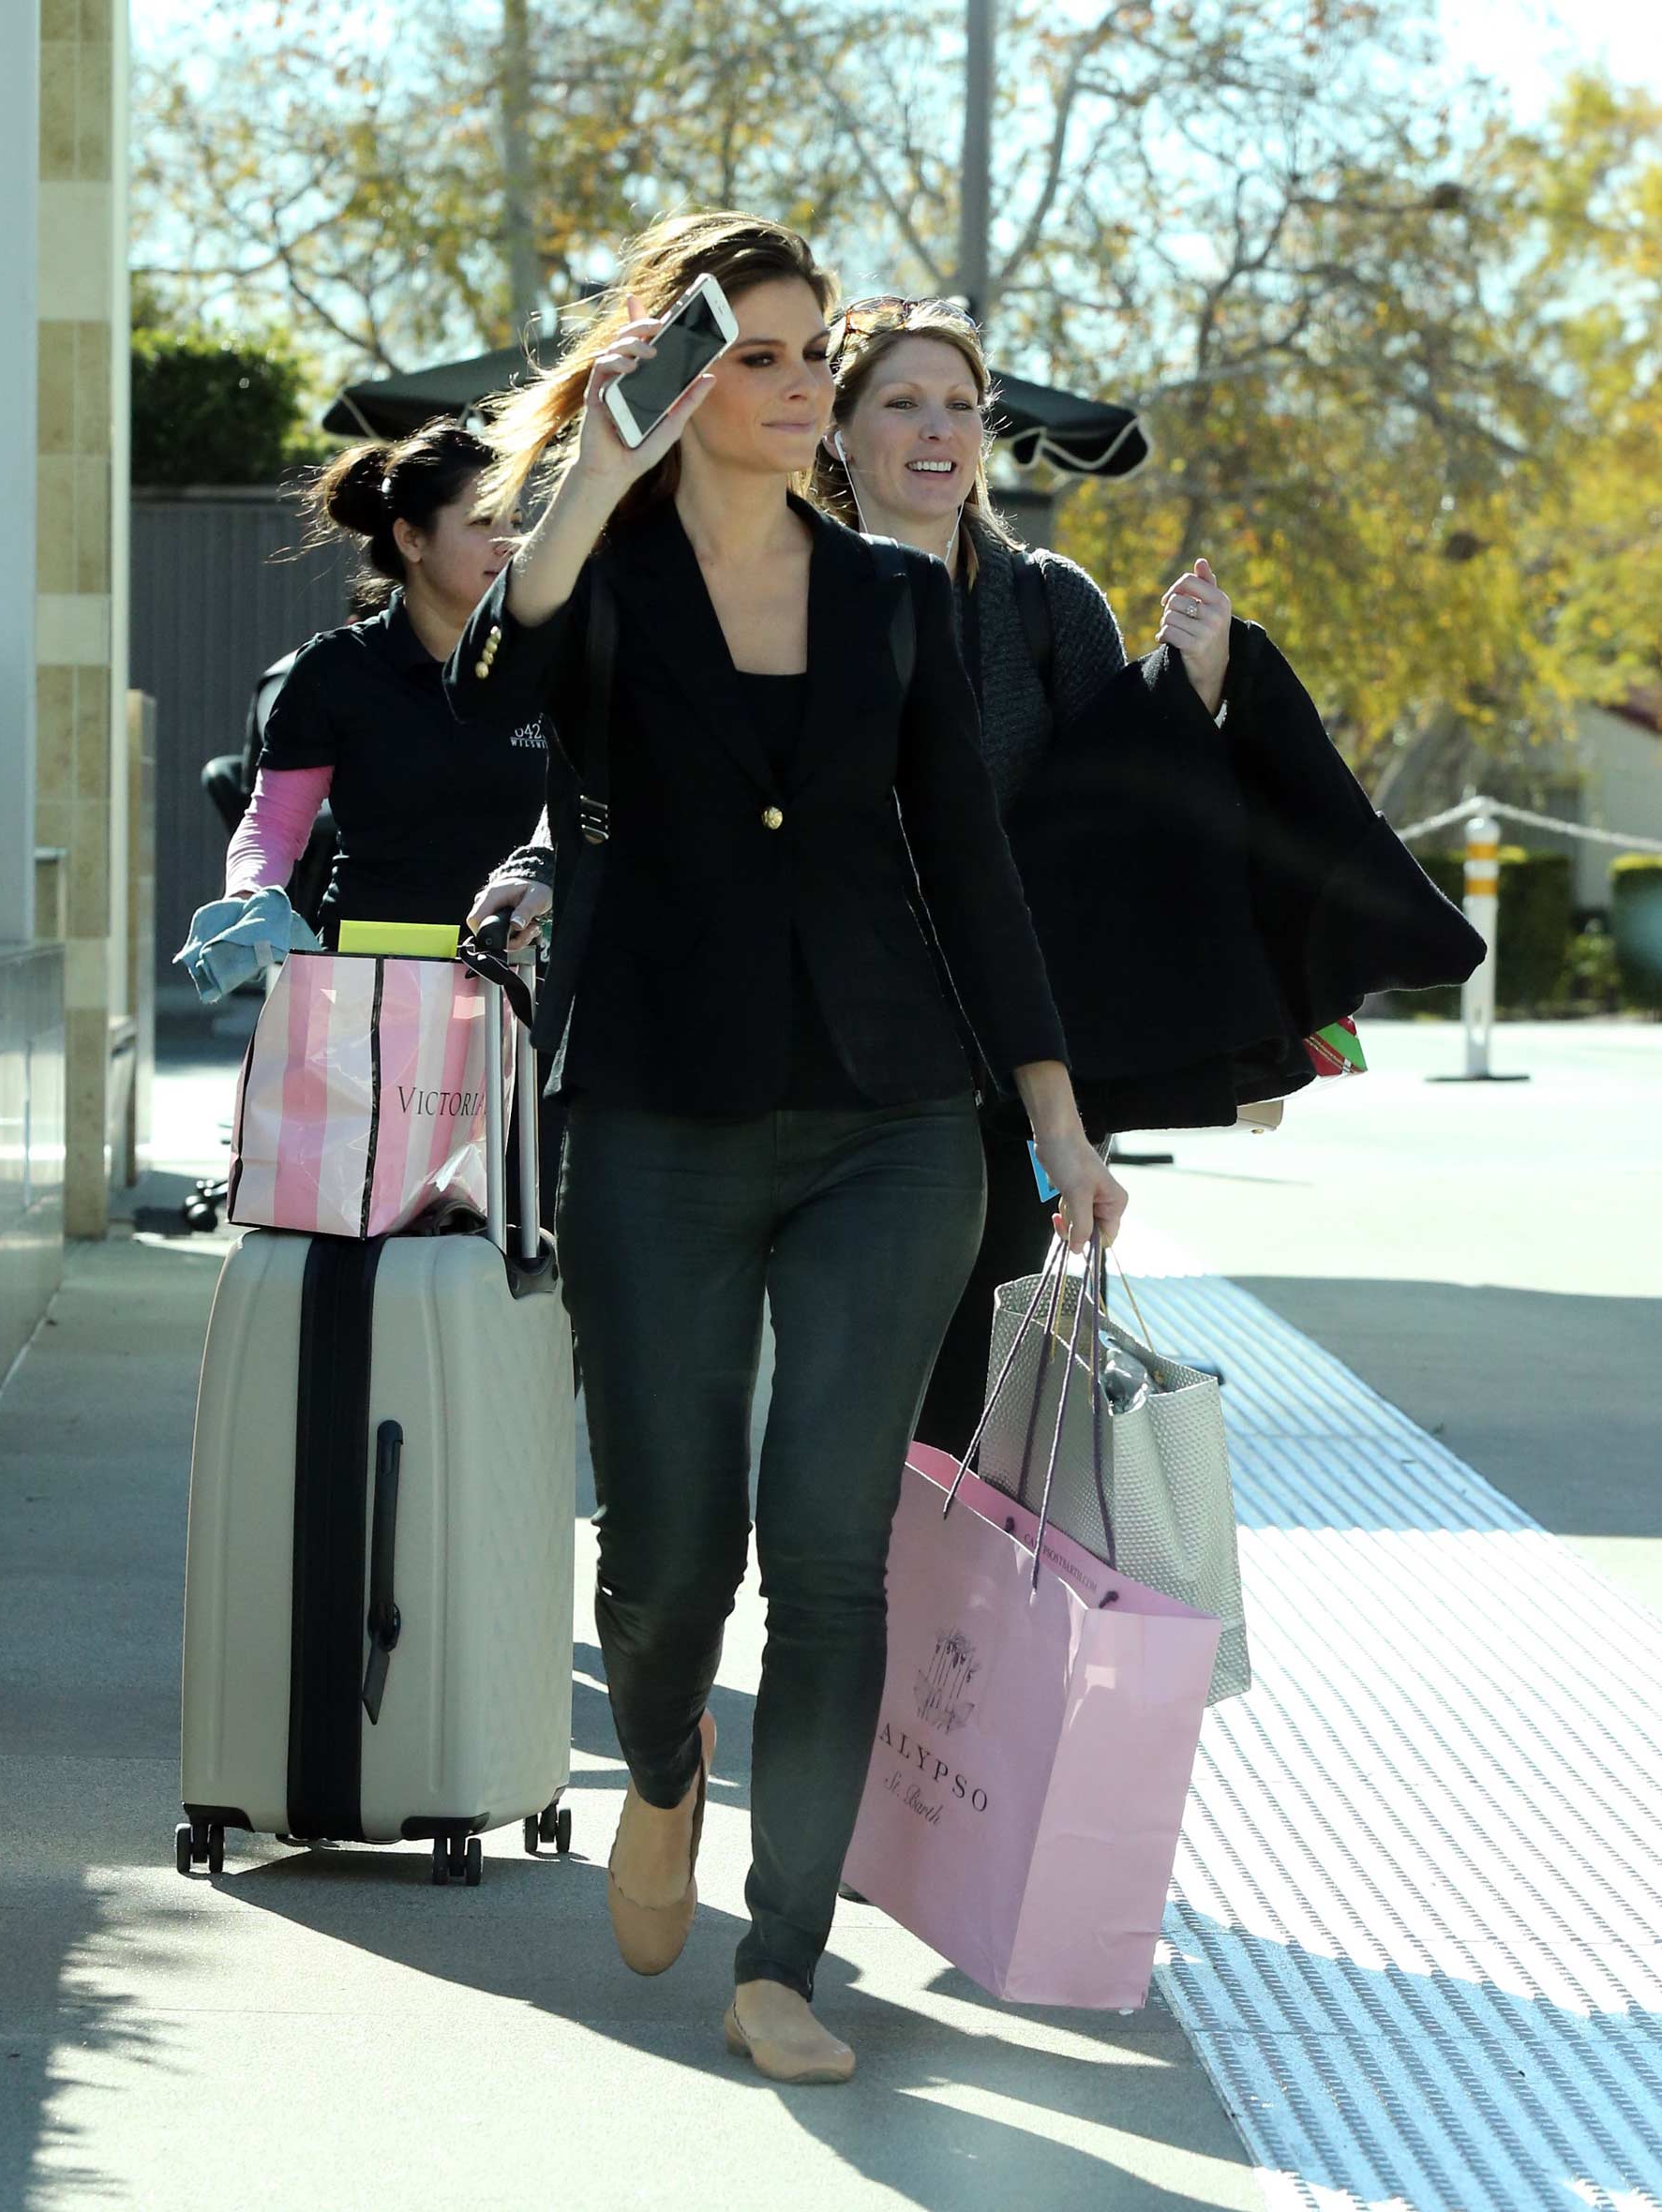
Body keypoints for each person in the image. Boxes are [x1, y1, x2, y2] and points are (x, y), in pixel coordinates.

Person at [454, 211, 1127, 2085]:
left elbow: (972, 874)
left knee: (835, 1554)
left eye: (808, 352)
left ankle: (787, 1958)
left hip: (891, 1121)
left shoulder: (898, 602)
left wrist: (1057, 1118)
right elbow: (486, 695)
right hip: (656, 1112)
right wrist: (596, 474)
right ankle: (661, 1760)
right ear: (669, 375)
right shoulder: (598, 578)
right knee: (673, 1556)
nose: (797, 382)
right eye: (753, 353)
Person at [810, 296, 1233, 1460]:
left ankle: (934, 1638)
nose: (937, 426)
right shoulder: (769, 599)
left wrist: (1196, 684)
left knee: (966, 1408)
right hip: (811, 1059)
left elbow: (1127, 812)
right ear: (836, 430)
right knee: (831, 1397)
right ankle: (835, 1616)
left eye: (960, 404)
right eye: (900, 401)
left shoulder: (1046, 604)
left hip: (1003, 1066)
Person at [222, 420, 548, 946]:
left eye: (516, 519)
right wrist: (246, 899)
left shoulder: (550, 663)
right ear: (411, 538)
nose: (508, 541)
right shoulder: (336, 668)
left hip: (522, 980)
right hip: (369, 987)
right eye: (483, 520)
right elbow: (274, 824)